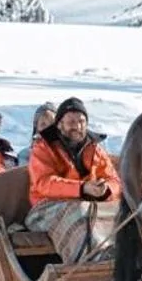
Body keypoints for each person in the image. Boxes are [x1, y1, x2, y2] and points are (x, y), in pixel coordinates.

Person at [26, 97, 121, 263]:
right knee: (79, 213)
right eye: (71, 122)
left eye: (81, 121)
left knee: (125, 210)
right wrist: (82, 188)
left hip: (88, 204)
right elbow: (44, 183)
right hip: (45, 207)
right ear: (59, 124)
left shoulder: (94, 148)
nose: (77, 126)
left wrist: (106, 189)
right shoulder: (43, 147)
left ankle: (127, 256)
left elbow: (113, 180)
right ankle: (91, 262)